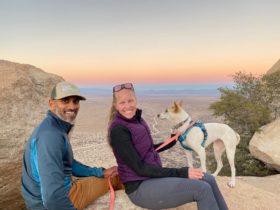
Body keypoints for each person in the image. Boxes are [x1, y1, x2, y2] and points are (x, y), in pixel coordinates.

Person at [107, 82, 228, 210]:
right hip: (140, 187)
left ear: (136, 100)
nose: (127, 106)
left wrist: (171, 141)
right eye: (122, 103)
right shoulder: (118, 130)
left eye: (130, 100)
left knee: (208, 178)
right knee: (202, 189)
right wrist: (181, 172)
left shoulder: (136, 120)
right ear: (115, 106)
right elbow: (139, 168)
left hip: (151, 178)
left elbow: (147, 150)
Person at [21, 81, 123, 210]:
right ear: (52, 104)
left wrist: (100, 172)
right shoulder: (50, 136)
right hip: (52, 201)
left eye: (76, 101)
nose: (72, 106)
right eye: (65, 101)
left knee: (110, 174)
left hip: (47, 196)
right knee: (118, 177)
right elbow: (52, 196)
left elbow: (69, 163)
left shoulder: (54, 127)